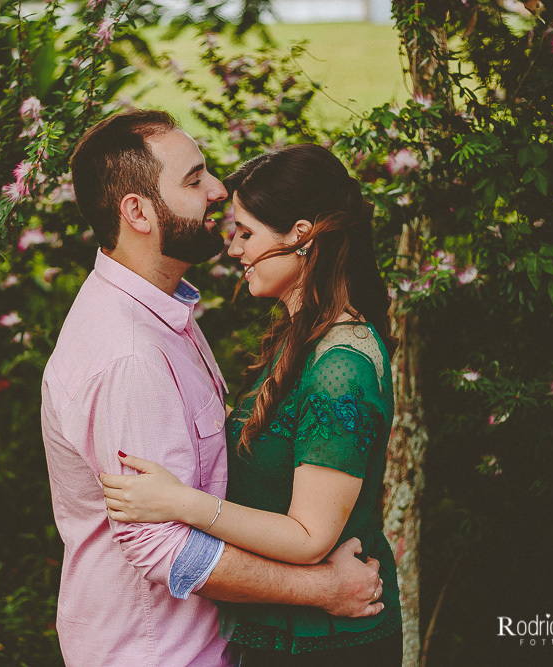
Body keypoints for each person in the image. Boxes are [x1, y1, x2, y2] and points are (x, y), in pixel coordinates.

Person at [41, 111, 385, 666]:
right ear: (138, 212)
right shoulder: (128, 356)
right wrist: (324, 589)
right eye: (194, 178)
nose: (218, 190)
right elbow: (161, 547)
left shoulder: (165, 315)